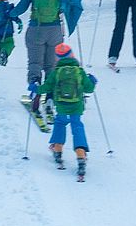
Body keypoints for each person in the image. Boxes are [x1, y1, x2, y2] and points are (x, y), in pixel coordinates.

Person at [11, 0, 78, 116]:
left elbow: (22, 7)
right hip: (55, 30)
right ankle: (49, 98)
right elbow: (69, 4)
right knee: (51, 66)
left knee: (35, 63)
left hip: (36, 29)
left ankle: (35, 91)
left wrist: (10, 13)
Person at [39, 43, 97, 180]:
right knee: (77, 126)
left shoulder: (56, 72)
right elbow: (89, 89)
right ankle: (81, 155)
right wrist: (92, 81)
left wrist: (34, 88)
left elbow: (45, 88)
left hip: (61, 105)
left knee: (60, 123)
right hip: (76, 106)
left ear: (57, 58)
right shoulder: (79, 71)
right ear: (72, 55)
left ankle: (58, 151)